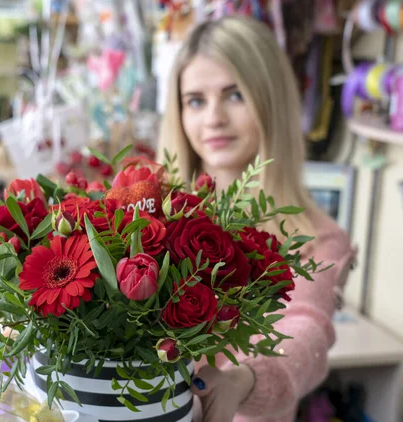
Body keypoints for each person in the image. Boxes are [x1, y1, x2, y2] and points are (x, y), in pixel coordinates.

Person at [156, 16, 356, 422]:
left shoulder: (319, 238)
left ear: (271, 102)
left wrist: (242, 381)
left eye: (234, 95)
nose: (213, 118)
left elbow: (308, 334)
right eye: (195, 100)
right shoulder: (154, 215)